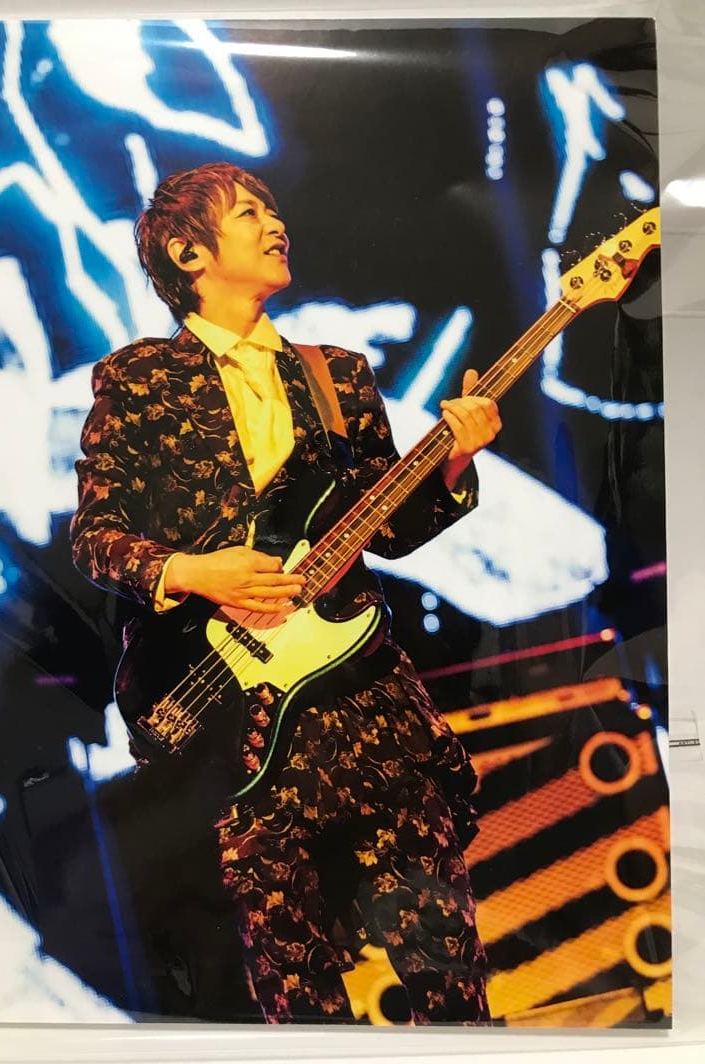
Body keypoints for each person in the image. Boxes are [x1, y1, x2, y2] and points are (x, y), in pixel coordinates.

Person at [71, 161, 501, 1024]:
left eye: (272, 208)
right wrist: (192, 571)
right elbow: (96, 536)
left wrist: (454, 461)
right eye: (248, 212)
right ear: (189, 252)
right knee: (299, 996)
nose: (276, 223)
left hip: (369, 708)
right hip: (240, 725)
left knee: (447, 970)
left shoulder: (337, 374)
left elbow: (389, 527)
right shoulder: (139, 379)